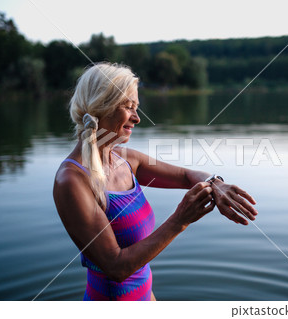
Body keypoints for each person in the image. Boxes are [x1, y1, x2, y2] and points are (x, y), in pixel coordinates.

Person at [53, 62, 258, 301]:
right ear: (102, 106)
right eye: (128, 107)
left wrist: (216, 184)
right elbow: (116, 267)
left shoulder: (126, 159)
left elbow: (185, 176)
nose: (137, 118)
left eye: (136, 107)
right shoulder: (71, 180)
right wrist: (179, 220)